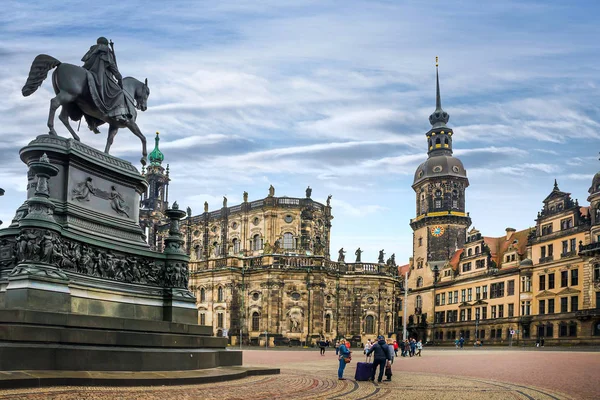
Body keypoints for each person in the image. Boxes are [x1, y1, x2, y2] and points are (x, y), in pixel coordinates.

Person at [81, 37, 132, 131]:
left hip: (89, 74)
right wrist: (119, 77)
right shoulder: (106, 51)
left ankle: (92, 121)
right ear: (106, 44)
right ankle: (119, 115)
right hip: (101, 77)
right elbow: (112, 66)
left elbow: (86, 64)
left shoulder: (92, 51)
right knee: (119, 93)